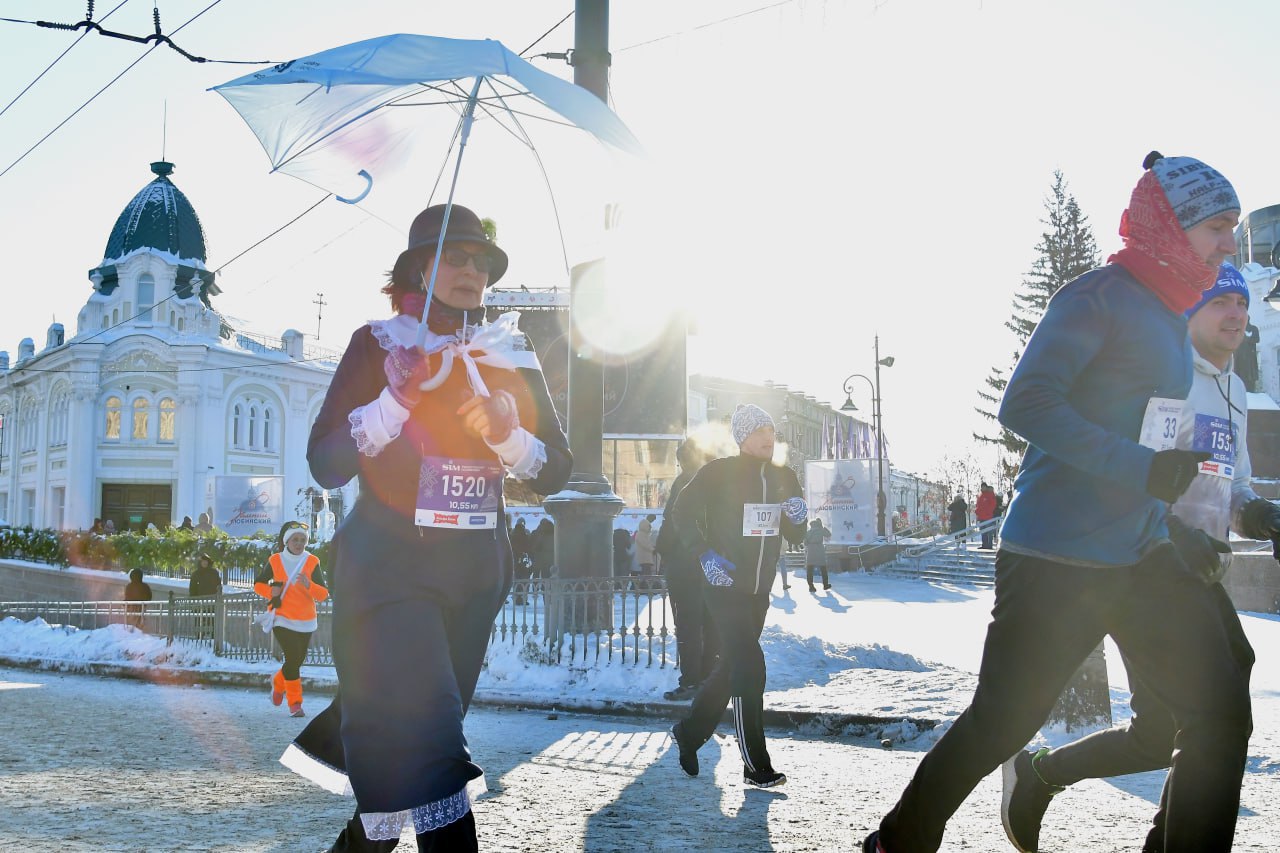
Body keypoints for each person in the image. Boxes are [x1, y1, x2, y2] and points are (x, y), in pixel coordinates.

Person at [864, 152, 1248, 853]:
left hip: (1141, 555)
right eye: (1217, 227)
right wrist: (1142, 468)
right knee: (1003, 721)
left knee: (1218, 714)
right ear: (1171, 225)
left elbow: (1149, 435)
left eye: (1234, 227)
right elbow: (1026, 403)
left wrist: (1175, 517)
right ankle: (899, 840)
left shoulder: (1171, 313)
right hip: (1057, 556)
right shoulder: (1096, 296)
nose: (1229, 243)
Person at [284, 204, 572, 851]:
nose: (472, 271)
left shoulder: (507, 352)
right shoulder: (378, 344)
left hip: (473, 582)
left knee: (403, 772)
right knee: (438, 750)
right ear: (420, 267)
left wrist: (507, 434)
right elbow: (325, 462)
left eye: (482, 262)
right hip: (388, 575)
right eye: (455, 257)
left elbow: (557, 468)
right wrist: (395, 400)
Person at [1000, 262, 1268, 852]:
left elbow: (1234, 487)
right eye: (1220, 302)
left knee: (1172, 728)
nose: (1235, 314)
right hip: (1149, 566)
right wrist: (1175, 532)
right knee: (1207, 716)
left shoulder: (1235, 391)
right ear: (1188, 312)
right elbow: (1130, 478)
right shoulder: (1169, 381)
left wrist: (1260, 514)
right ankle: (1043, 775)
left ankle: (1043, 775)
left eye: (1242, 304)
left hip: (1197, 573)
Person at [669, 404, 806, 788]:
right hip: (723, 586)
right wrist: (703, 554)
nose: (768, 437)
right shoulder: (719, 473)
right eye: (760, 430)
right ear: (743, 436)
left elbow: (794, 536)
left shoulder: (785, 477)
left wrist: (798, 517)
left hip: (758, 592)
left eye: (771, 430)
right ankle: (755, 765)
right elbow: (682, 512)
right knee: (750, 667)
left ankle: (689, 732)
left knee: (731, 668)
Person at [658, 440, 720, 702]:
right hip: (711, 563)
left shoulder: (685, 482)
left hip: (684, 565)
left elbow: (673, 521)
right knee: (710, 623)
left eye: (680, 459)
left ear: (685, 459)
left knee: (687, 626)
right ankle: (708, 679)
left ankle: (691, 682)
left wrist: (664, 550)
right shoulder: (718, 482)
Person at [254, 521, 328, 718]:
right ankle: (295, 703)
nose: (299, 543)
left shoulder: (312, 561)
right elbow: (258, 585)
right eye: (295, 539)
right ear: (287, 541)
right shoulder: (275, 560)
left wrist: (309, 585)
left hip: (306, 620)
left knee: (296, 661)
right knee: (293, 657)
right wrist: (271, 591)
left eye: (302, 540)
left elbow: (323, 594)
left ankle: (278, 683)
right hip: (281, 617)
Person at [804, 517, 832, 592]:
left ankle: (811, 586)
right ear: (818, 524)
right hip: (820, 550)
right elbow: (828, 534)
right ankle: (825, 585)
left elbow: (805, 543)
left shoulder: (808, 532)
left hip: (811, 551)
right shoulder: (821, 530)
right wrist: (822, 527)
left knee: (810, 569)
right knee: (823, 569)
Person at [974, 482, 997, 550]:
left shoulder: (990, 494)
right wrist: (977, 511)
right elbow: (978, 505)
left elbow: (993, 504)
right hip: (981, 517)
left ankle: (989, 545)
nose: (983, 488)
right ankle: (984, 544)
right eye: (982, 487)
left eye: (984, 487)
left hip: (988, 516)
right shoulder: (980, 495)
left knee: (989, 531)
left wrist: (988, 512)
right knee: (983, 531)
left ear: (986, 487)